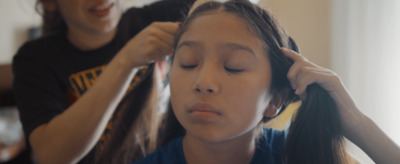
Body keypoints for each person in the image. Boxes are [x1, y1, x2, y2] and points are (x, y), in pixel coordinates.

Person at [133, 1, 400, 163]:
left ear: (275, 99)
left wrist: (357, 124)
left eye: (233, 67)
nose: (203, 82)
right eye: (189, 63)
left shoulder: (301, 156)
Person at [12, 0, 212, 163]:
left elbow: (217, 7)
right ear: (49, 3)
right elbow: (51, 156)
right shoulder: (36, 59)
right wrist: (126, 61)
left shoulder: (150, 18)